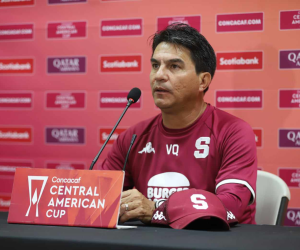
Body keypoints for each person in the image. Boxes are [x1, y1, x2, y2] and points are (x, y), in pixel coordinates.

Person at [100, 23, 257, 225]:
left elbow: (230, 206)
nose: (159, 75)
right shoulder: (133, 137)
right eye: (155, 65)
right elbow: (98, 197)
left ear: (203, 81)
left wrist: (157, 210)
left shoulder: (233, 132)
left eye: (174, 66)